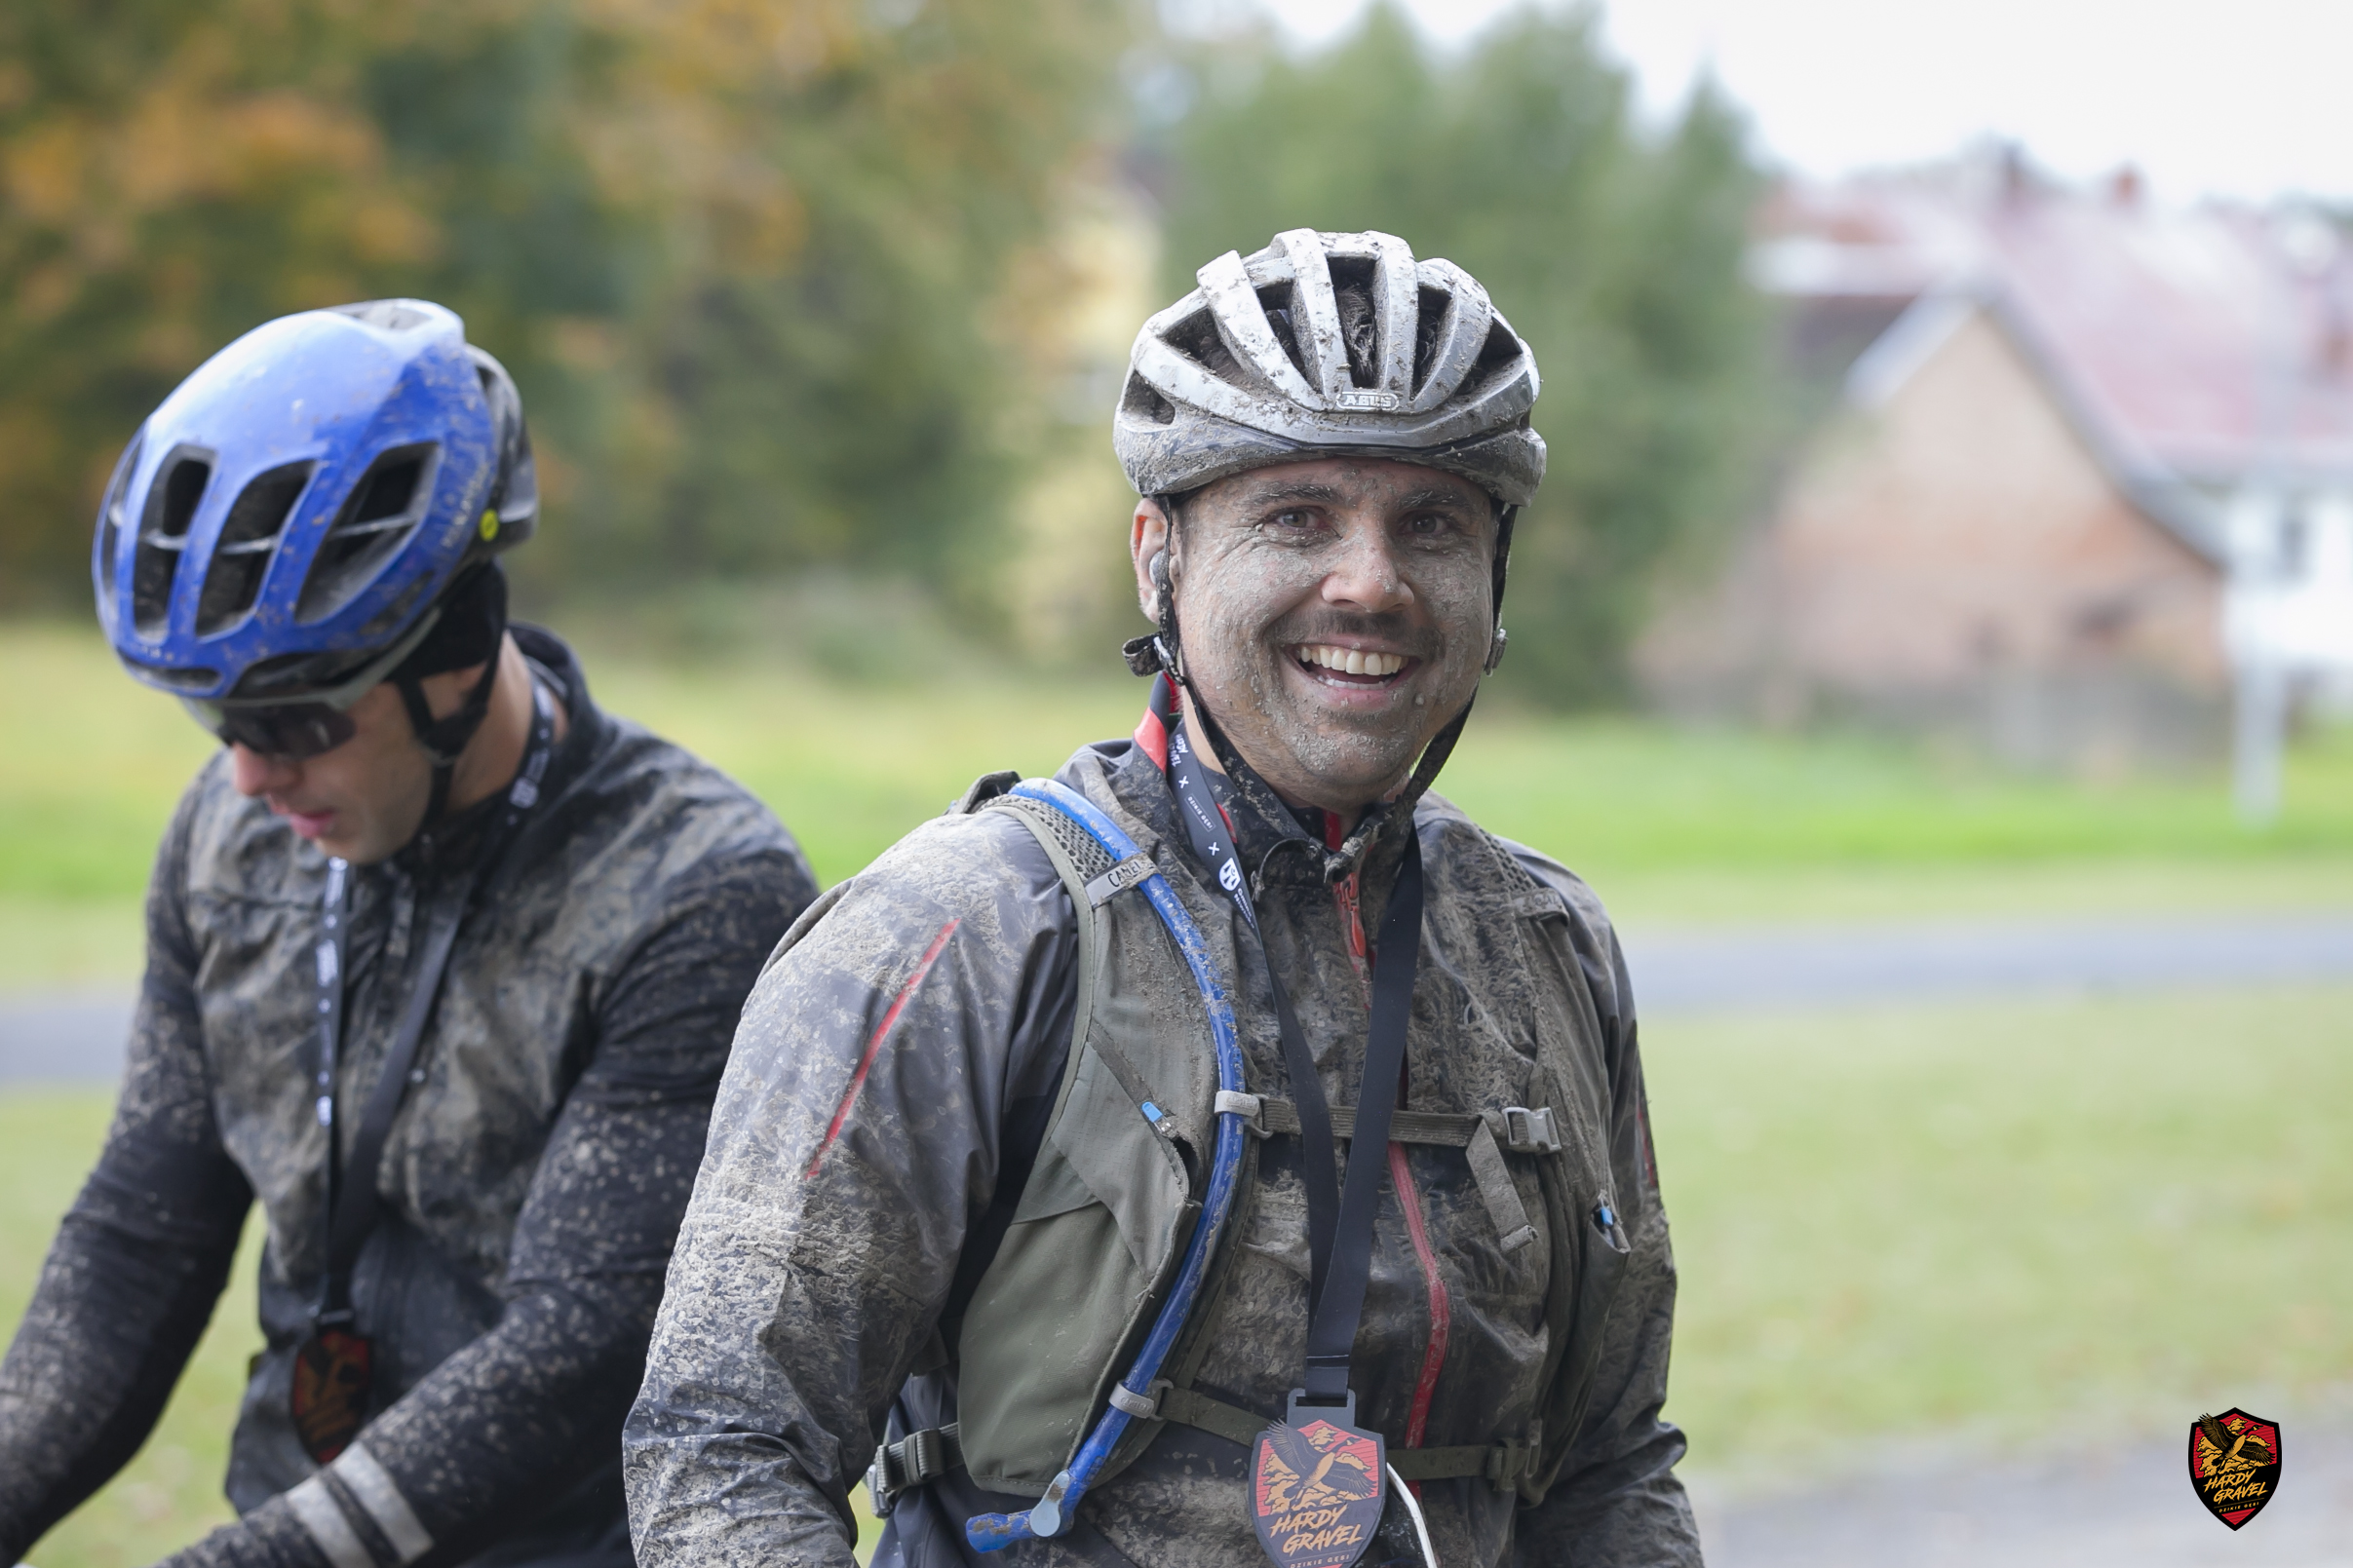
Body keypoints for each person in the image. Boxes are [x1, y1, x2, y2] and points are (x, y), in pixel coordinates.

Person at [623, 230, 1701, 1567]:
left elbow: (1609, 1467)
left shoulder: (1544, 946)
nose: (1370, 581)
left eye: (1432, 524)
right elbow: (721, 1453)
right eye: (1295, 516)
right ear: (1159, 557)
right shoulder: (961, 932)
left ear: (1497, 579)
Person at [0, 300, 819, 1568]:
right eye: (220, 724)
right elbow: (140, 1233)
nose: (250, 777)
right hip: (289, 1513)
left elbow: (572, 1349)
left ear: (455, 653)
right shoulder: (228, 840)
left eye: (296, 721)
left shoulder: (697, 891)